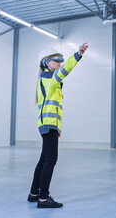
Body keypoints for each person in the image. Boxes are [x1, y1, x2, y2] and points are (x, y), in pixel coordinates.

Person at [27, 43, 88, 208]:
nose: (60, 64)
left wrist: (57, 128)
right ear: (47, 63)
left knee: (43, 160)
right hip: (48, 125)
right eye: (57, 61)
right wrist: (78, 55)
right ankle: (44, 198)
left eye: (60, 61)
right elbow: (65, 71)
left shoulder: (46, 80)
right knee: (50, 160)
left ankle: (34, 194)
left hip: (48, 125)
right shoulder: (49, 78)